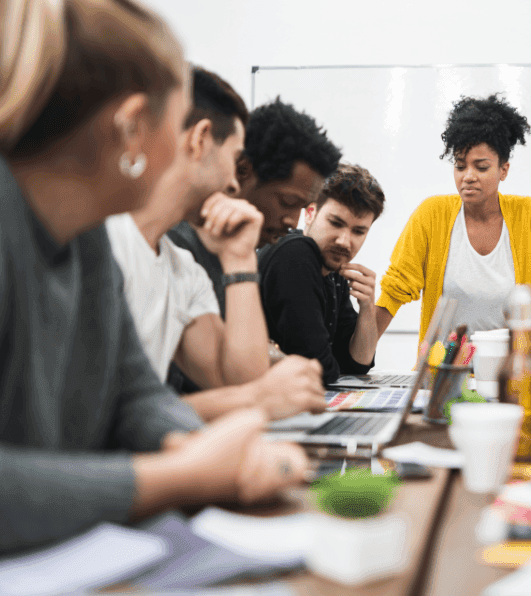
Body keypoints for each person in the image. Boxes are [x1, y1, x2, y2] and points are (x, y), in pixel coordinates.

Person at [0, 0, 309, 554]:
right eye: (178, 116)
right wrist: (182, 476)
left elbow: (135, 394)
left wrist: (219, 454)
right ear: (132, 126)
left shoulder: (87, 235)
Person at [105, 66, 325, 421]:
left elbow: (239, 380)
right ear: (201, 139)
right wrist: (254, 400)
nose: (234, 183)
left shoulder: (181, 269)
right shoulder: (101, 242)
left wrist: (240, 260)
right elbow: (99, 420)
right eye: (234, 159)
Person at [376, 94, 531, 350]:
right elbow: (396, 288)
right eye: (460, 166)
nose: (468, 176)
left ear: (503, 170)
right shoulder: (431, 215)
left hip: (511, 372)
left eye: (481, 167)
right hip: (444, 372)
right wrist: (357, 358)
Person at [166, 97, 342, 393]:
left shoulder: (233, 250)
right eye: (287, 201)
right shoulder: (180, 248)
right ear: (243, 171)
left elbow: (241, 370)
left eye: (303, 208)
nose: (292, 221)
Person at [258, 163, 384, 384]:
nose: (344, 241)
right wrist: (331, 364)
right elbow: (320, 370)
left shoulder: (333, 269)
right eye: (335, 223)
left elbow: (358, 364)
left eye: (358, 231)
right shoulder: (296, 253)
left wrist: (367, 307)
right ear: (310, 213)